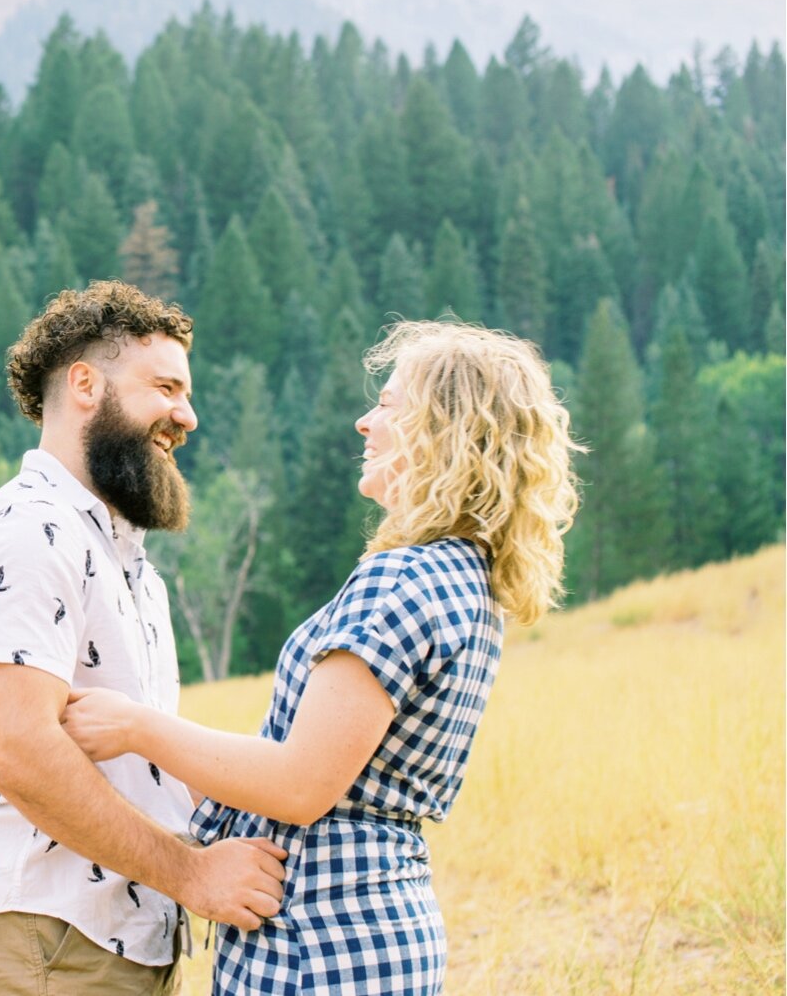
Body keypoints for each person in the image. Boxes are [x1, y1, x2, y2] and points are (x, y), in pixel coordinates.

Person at [61, 320, 582, 994]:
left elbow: (301, 783)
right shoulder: (466, 581)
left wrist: (137, 727)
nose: (366, 423)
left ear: (444, 429)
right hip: (377, 925)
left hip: (321, 938)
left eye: (389, 406)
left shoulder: (400, 580)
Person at [0, 281, 288, 995]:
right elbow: (14, 748)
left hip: (111, 936)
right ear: (85, 384)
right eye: (165, 387)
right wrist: (191, 873)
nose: (186, 415)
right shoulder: (25, 533)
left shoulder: (126, 560)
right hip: (49, 934)